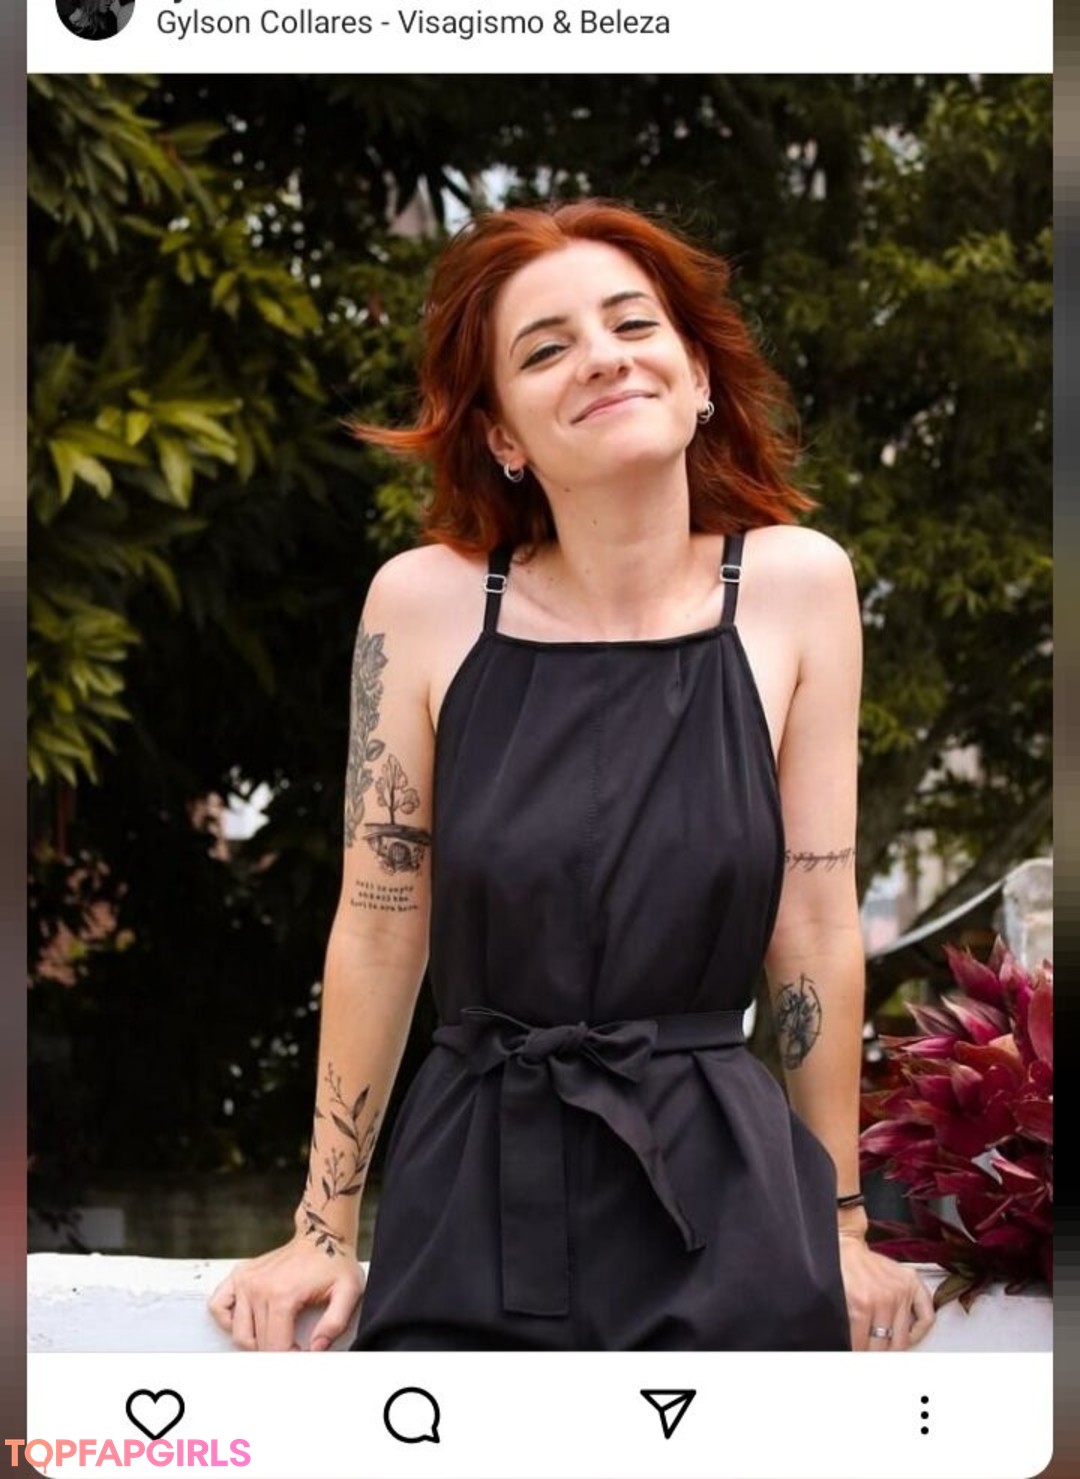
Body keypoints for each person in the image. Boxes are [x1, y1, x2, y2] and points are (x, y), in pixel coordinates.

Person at [208, 199, 936, 1353]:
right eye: (545, 349)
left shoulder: (800, 586)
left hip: (728, 1196)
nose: (602, 356)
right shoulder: (424, 603)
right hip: (474, 1181)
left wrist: (842, 1224)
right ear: (503, 434)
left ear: (698, 378)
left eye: (633, 325)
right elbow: (382, 924)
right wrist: (321, 1227)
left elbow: (813, 923)